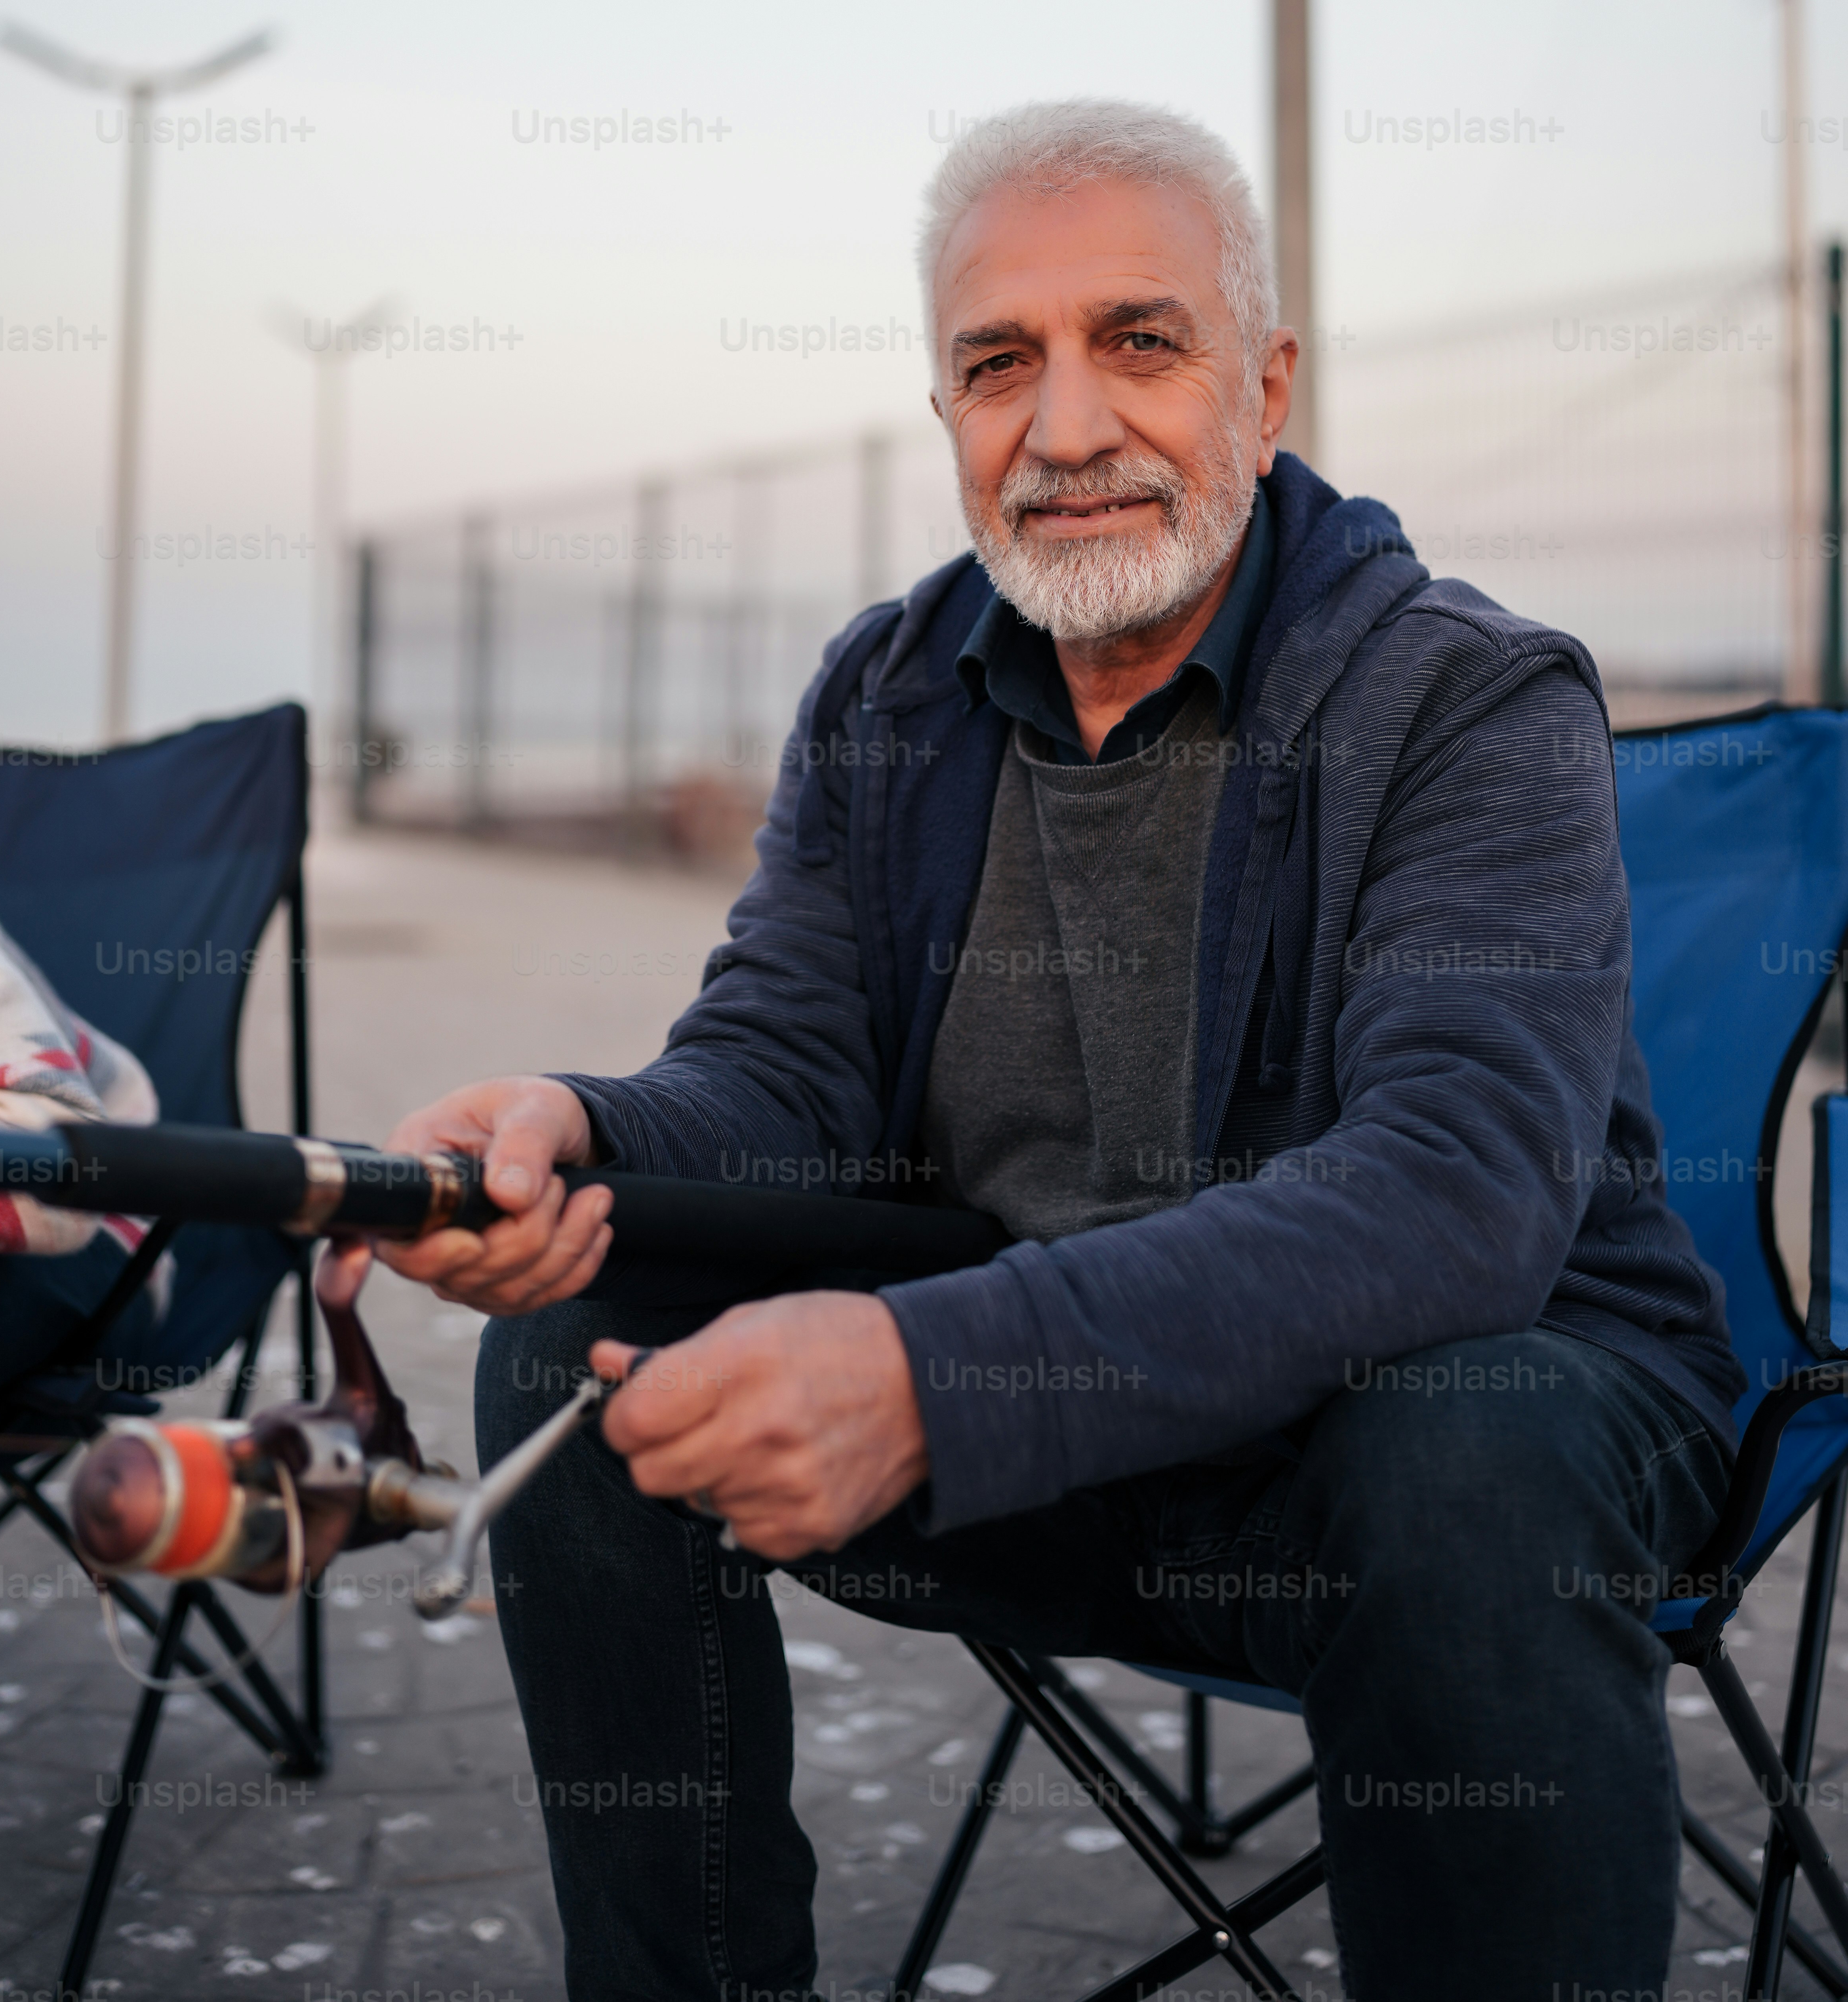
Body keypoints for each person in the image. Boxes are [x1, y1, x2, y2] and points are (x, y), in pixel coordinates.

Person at [377, 101, 1742, 2002]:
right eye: (997, 363)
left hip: (1428, 1445)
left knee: (1467, 1447)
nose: (1070, 425)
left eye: (1141, 342)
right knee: (579, 1342)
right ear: (946, 415)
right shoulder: (886, 686)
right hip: (1046, 1444)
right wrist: (577, 1128)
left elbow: (1456, 1198)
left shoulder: (1468, 693)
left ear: (1264, 382)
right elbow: (784, 1081)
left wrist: (932, 1375)